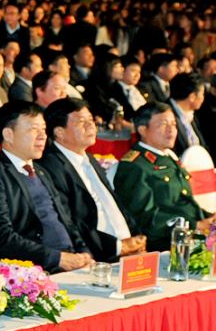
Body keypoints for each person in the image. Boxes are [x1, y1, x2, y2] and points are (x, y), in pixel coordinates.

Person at [0, 101, 95, 275]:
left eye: (43, 129)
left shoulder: (42, 171)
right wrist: (57, 258)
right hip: (28, 273)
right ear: (8, 134)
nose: (43, 136)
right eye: (34, 129)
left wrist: (84, 252)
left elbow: (67, 221)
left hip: (68, 263)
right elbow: (2, 238)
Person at [35, 98, 146, 263]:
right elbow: (71, 221)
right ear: (59, 132)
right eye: (81, 122)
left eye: (91, 120)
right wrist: (117, 246)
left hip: (128, 250)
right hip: (97, 256)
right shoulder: (50, 167)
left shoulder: (90, 158)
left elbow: (114, 203)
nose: (91, 126)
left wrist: (137, 236)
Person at [111, 101, 213, 250]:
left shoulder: (168, 157)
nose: (171, 129)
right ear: (143, 130)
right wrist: (194, 225)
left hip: (189, 237)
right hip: (164, 244)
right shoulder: (135, 165)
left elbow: (184, 201)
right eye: (163, 124)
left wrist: (208, 218)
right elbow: (144, 218)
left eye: (173, 124)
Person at [168, 72, 209, 155]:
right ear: (192, 97)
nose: (203, 99)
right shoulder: (164, 115)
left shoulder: (192, 115)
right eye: (202, 94)